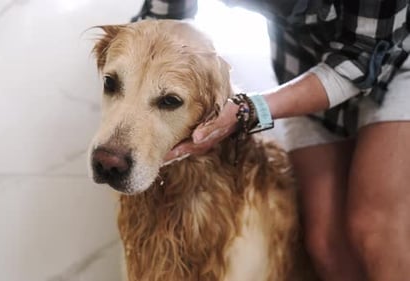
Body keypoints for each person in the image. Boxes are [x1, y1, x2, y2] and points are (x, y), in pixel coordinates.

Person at [132, 0, 410, 280]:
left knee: (375, 228)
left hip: (400, 60)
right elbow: (160, 20)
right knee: (326, 244)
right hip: (303, 64)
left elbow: (362, 55)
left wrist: (249, 111)